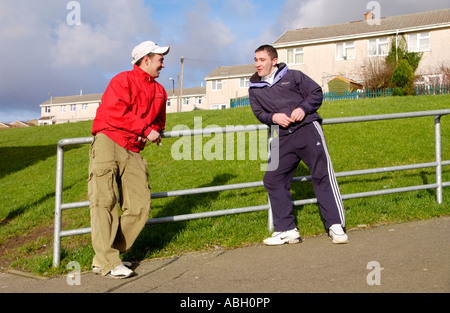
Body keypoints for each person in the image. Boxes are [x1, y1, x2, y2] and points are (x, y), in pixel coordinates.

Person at [248, 45, 348, 246]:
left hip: (307, 129)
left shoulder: (293, 76)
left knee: (322, 174)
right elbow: (259, 113)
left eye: (262, 60)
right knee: (273, 178)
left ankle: (335, 225)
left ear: (274, 61)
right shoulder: (254, 89)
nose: (258, 64)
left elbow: (316, 93)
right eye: (255, 60)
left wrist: (303, 108)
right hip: (282, 136)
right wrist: (273, 117)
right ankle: (287, 229)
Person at [88, 41, 170, 278]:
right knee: (105, 202)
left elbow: (159, 123)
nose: (163, 64)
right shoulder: (121, 80)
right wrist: (145, 129)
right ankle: (108, 260)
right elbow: (114, 111)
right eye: (159, 59)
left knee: (140, 205)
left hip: (134, 149)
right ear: (146, 60)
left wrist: (151, 129)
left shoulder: (159, 91)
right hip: (109, 141)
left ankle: (105, 254)